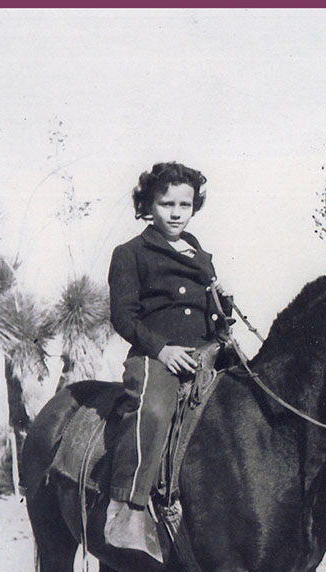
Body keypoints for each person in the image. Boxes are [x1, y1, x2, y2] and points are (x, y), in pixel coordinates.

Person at [105, 161, 232, 551]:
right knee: (154, 410)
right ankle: (131, 507)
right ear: (148, 205)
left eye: (185, 204)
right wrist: (161, 349)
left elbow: (209, 314)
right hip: (156, 355)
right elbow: (123, 316)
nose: (176, 213)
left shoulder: (200, 255)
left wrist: (223, 312)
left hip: (206, 352)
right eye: (166, 204)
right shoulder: (131, 253)